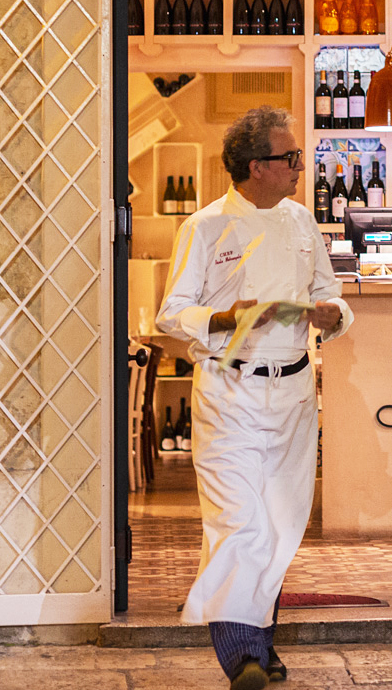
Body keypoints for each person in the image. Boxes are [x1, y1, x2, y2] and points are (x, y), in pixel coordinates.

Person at [157, 106, 352, 690]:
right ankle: (242, 655)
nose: (300, 167)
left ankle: (261, 645)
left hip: (293, 392)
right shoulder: (206, 227)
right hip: (230, 390)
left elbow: (333, 297)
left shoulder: (301, 223)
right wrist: (223, 316)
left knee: (279, 523)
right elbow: (173, 313)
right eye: (289, 157)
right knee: (237, 521)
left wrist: (329, 315)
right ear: (252, 166)